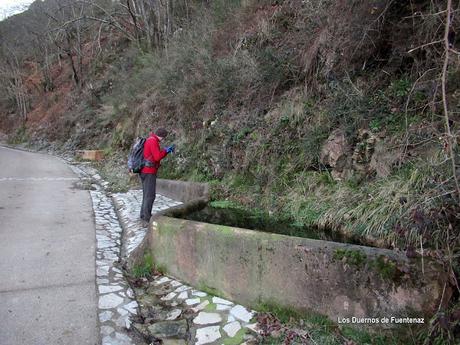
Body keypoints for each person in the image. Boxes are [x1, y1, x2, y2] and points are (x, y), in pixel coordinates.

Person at [140, 128, 175, 225]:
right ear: (162, 136)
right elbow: (157, 157)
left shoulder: (150, 139)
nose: (163, 140)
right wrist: (166, 151)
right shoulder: (153, 141)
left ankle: (143, 215)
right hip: (149, 171)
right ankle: (146, 218)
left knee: (146, 194)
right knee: (150, 195)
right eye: (164, 138)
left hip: (144, 171)